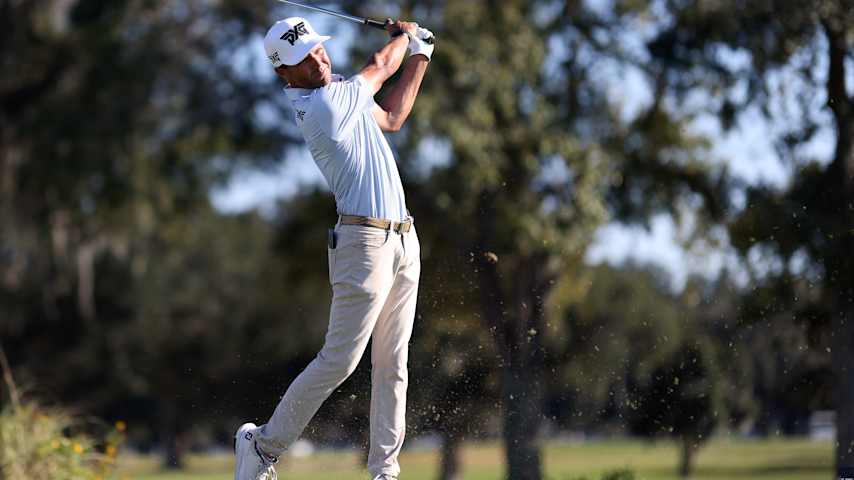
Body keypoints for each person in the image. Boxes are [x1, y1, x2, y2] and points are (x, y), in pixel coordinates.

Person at [233, 15, 433, 480]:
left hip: (404, 238)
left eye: (318, 49)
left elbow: (393, 117)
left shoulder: (344, 93)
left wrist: (421, 54)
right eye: (304, 58)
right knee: (340, 360)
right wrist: (405, 37)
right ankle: (261, 447)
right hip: (362, 243)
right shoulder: (324, 105)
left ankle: (385, 471)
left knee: (393, 362)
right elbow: (381, 65)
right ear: (285, 73)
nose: (318, 59)